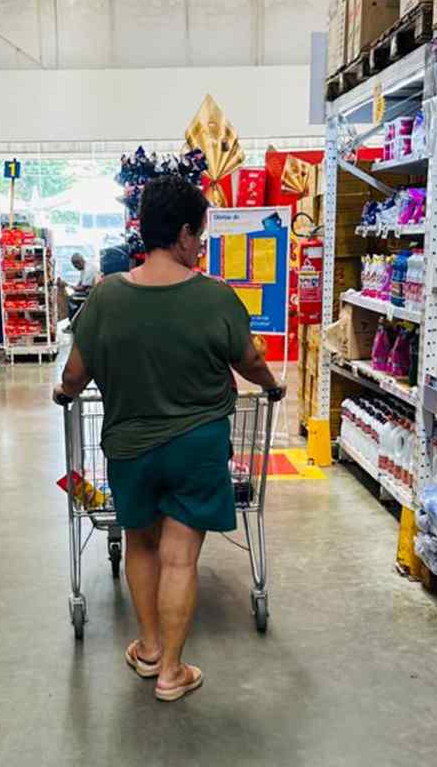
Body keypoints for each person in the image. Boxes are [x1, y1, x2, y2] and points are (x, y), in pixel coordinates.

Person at [53, 174, 285, 702]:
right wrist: (272, 384)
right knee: (180, 558)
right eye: (199, 236)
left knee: (140, 542)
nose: (200, 247)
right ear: (182, 233)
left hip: (130, 447)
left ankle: (150, 647)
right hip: (196, 448)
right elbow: (249, 362)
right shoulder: (216, 297)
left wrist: (63, 394)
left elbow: (75, 373)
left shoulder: (108, 295)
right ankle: (172, 673)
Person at [66, 253, 98, 320]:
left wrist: (67, 285)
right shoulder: (84, 269)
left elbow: (82, 288)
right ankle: (76, 319)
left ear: (79, 263)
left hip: (92, 293)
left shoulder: (89, 269)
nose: (76, 268)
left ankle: (73, 321)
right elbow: (79, 284)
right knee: (73, 296)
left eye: (75, 266)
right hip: (87, 291)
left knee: (71, 299)